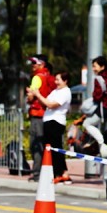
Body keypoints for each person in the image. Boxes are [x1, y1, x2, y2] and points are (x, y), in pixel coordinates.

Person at [27, 71, 72, 184]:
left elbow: (51, 105)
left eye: (58, 80)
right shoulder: (55, 91)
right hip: (48, 121)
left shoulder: (66, 92)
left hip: (56, 122)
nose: (56, 82)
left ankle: (60, 173)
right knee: (50, 149)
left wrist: (38, 94)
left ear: (65, 81)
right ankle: (61, 173)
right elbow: (45, 103)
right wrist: (35, 94)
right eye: (55, 79)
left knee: (56, 149)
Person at [77, 56, 107, 158]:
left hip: (106, 107)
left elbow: (97, 96)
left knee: (87, 123)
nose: (93, 69)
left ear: (102, 67)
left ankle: (101, 143)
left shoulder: (99, 79)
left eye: (95, 66)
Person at [25, 54, 56, 183]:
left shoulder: (37, 77)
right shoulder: (50, 76)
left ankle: (37, 173)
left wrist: (29, 95)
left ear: (41, 64)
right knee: (46, 144)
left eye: (34, 63)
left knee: (36, 144)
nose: (32, 65)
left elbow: (31, 97)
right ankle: (49, 172)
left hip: (38, 114)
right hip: (49, 114)